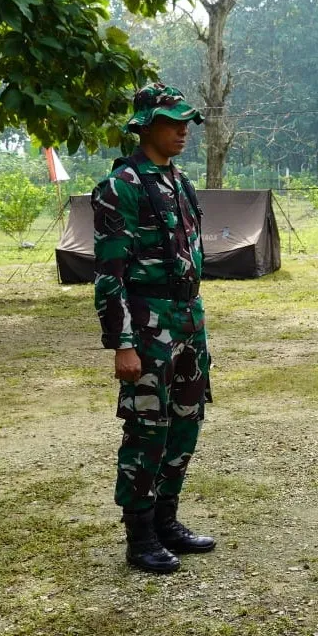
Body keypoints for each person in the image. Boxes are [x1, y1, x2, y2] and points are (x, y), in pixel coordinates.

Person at [92, 82, 216, 575]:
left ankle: (167, 520)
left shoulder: (178, 181)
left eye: (186, 122)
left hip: (187, 320)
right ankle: (139, 535)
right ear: (145, 126)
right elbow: (109, 274)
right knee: (147, 428)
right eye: (172, 122)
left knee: (186, 421)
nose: (183, 130)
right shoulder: (122, 185)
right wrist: (122, 343)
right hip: (146, 326)